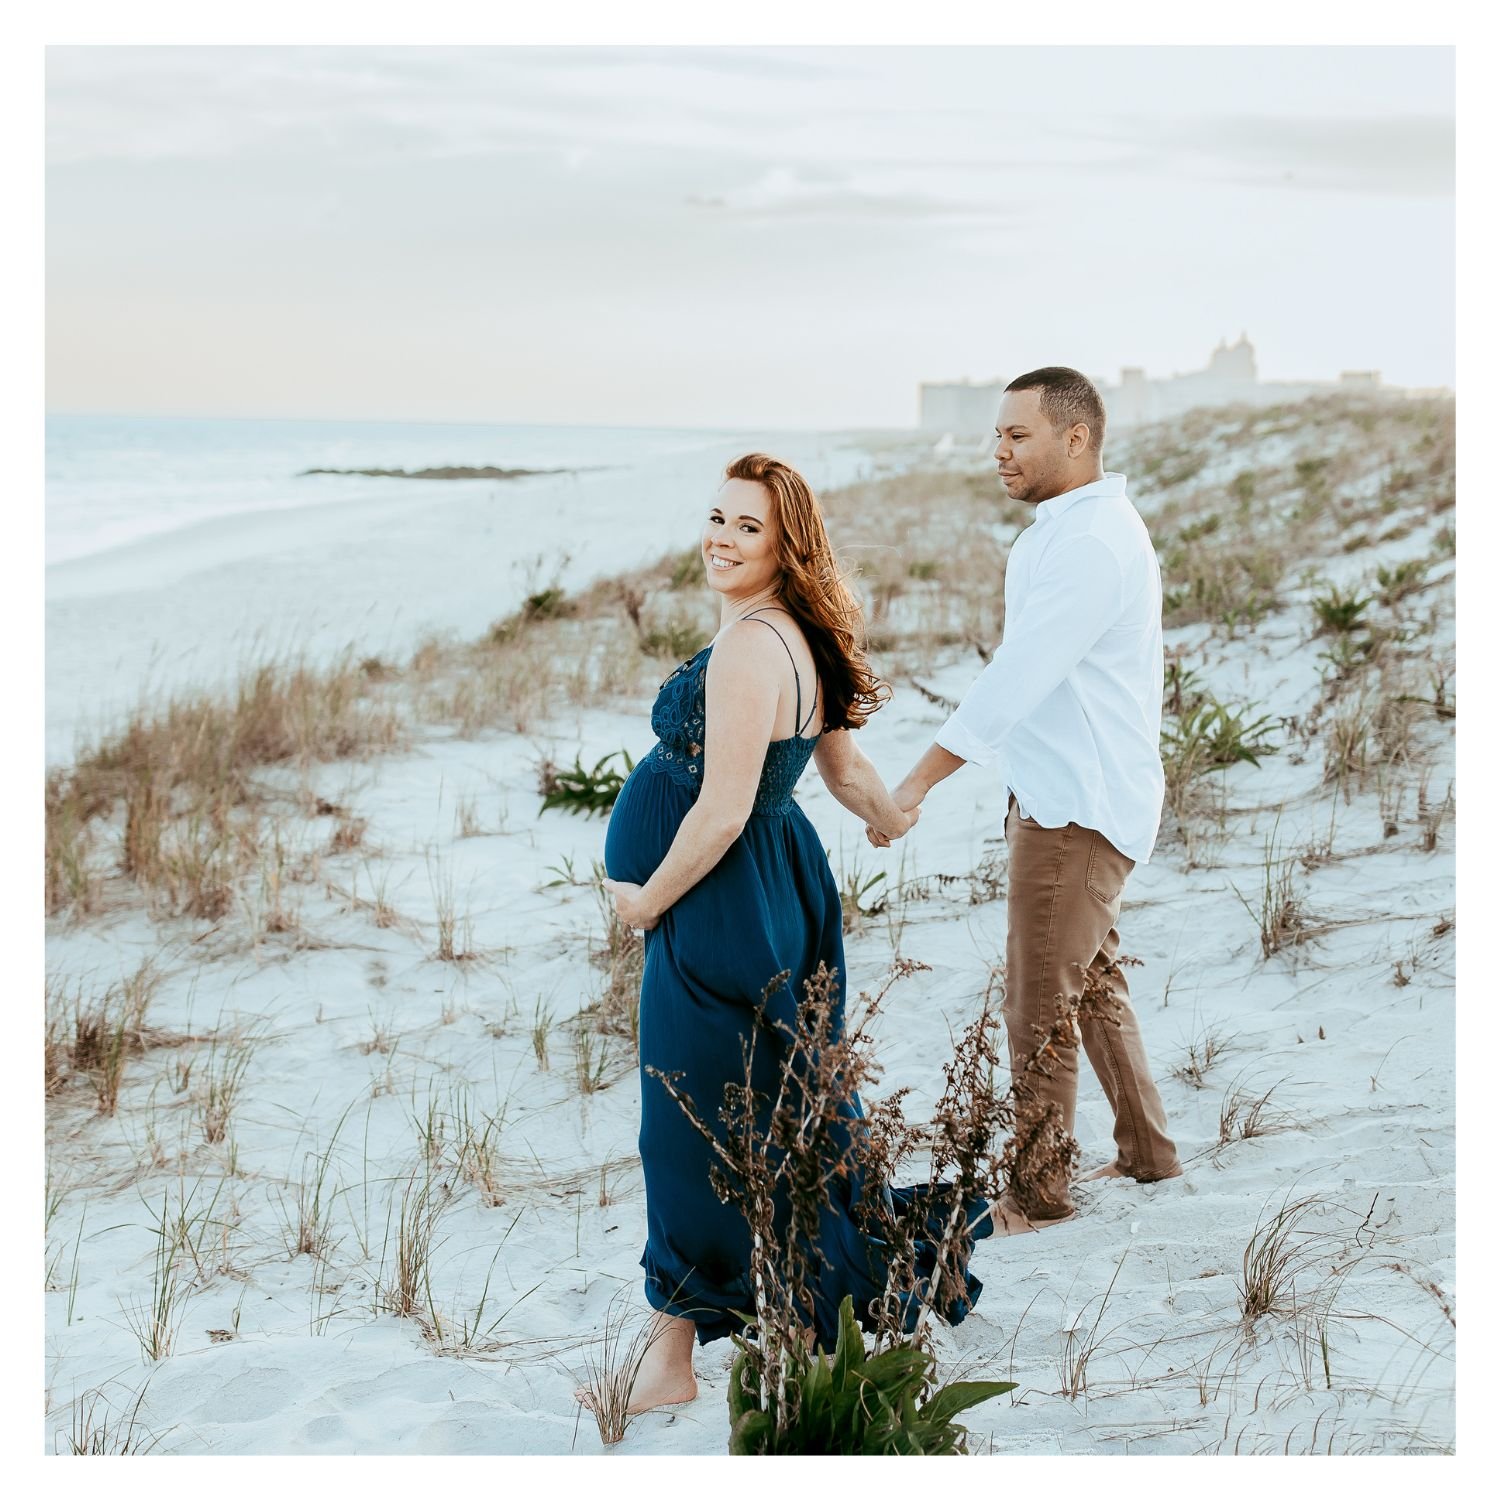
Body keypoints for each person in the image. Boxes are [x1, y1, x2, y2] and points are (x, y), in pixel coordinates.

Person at [592, 452, 992, 1417]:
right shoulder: (799, 634)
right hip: (775, 883)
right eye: (717, 518)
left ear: (786, 546)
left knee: (686, 1123)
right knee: (770, 1099)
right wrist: (890, 816)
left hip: (721, 894)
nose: (721, 540)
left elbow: (724, 810)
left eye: (747, 529)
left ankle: (676, 1355)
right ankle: (760, 1319)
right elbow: (843, 770)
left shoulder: (746, 649)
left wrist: (646, 903)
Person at [872, 367, 1182, 1232]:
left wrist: (917, 782)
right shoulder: (1071, 529)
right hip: (1069, 794)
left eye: (1017, 436)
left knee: (1040, 1001)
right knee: (1091, 985)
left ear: (1074, 438)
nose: (998, 453)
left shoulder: (1089, 543)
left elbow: (1015, 679)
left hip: (1077, 809)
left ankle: (1039, 1195)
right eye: (996, 437)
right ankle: (1148, 1154)